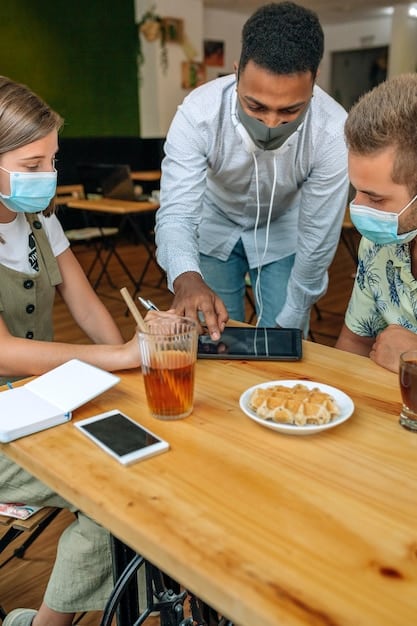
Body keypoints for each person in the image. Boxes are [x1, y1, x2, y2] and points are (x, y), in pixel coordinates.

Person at [0, 75, 153, 626]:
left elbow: (87, 307)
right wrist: (117, 360)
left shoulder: (38, 216)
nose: (50, 177)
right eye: (33, 163)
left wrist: (130, 367)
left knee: (138, 467)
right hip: (7, 418)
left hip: (31, 404)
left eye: (53, 161)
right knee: (116, 489)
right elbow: (4, 352)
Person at [155, 1, 349, 340]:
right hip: (214, 223)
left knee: (286, 339)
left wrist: (295, 312)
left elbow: (319, 233)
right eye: (255, 105)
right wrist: (186, 275)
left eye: (290, 110)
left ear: (315, 81)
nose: (271, 122)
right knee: (218, 338)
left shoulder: (333, 132)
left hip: (284, 226)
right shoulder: (197, 115)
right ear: (235, 71)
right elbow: (176, 215)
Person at [336, 73, 417, 373]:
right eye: (356, 190)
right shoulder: (378, 244)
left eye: (376, 198)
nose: (357, 207)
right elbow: (354, 345)